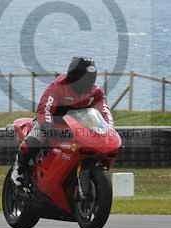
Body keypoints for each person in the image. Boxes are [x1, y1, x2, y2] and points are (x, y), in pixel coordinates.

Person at [10, 56, 113, 186]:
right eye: (84, 79)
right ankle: (18, 170)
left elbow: (104, 111)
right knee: (36, 137)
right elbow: (44, 109)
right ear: (74, 77)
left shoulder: (96, 92)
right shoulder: (57, 87)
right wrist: (48, 127)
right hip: (50, 124)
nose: (87, 82)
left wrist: (109, 128)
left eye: (90, 78)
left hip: (76, 128)